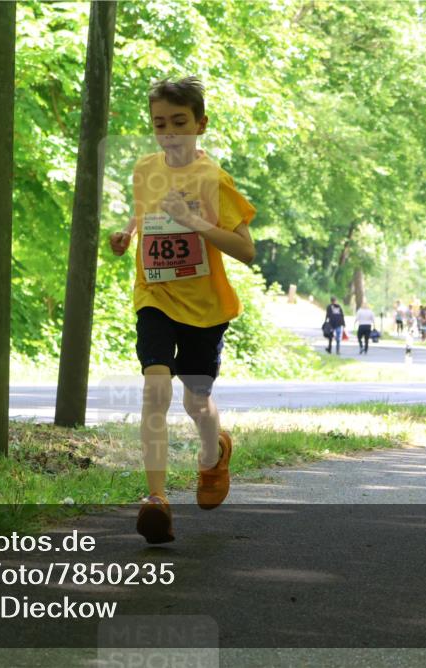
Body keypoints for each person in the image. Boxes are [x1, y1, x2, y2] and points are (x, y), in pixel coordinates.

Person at [108, 76, 256, 544]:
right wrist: (128, 234)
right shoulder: (144, 168)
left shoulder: (213, 179)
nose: (169, 132)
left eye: (179, 123)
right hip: (156, 294)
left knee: (195, 400)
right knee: (155, 390)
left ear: (200, 124)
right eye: (159, 124)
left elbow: (246, 251)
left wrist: (193, 222)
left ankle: (215, 454)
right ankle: (156, 500)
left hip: (205, 306)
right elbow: (146, 208)